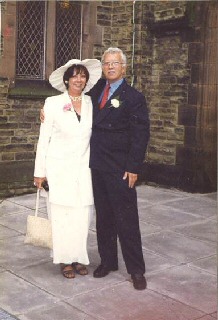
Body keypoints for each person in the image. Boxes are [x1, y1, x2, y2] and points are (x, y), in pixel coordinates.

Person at [87, 47, 150, 290]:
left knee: (126, 219)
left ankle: (136, 270)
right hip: (98, 164)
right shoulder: (94, 92)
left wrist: (134, 167)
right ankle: (108, 261)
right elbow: (73, 103)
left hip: (121, 168)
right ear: (102, 67)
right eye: (106, 63)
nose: (110, 67)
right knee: (104, 217)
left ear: (124, 67)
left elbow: (140, 135)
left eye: (115, 63)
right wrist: (45, 112)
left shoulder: (134, 97)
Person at [34, 58, 102, 279]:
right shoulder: (52, 103)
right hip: (58, 170)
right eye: (74, 75)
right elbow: (43, 140)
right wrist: (39, 172)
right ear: (66, 79)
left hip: (84, 170)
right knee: (61, 216)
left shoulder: (92, 103)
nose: (78, 79)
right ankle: (64, 260)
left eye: (82, 75)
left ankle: (78, 258)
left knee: (82, 216)